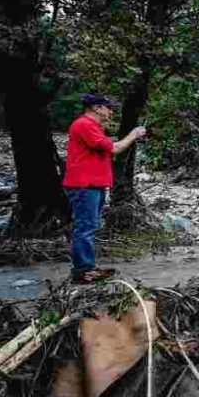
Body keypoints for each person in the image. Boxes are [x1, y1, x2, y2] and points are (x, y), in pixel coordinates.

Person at [63, 93, 146, 284]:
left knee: (89, 226)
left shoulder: (93, 126)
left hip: (93, 184)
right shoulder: (84, 125)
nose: (110, 111)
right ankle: (83, 271)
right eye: (108, 107)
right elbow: (115, 148)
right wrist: (133, 134)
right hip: (84, 185)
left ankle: (86, 268)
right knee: (85, 227)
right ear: (96, 107)